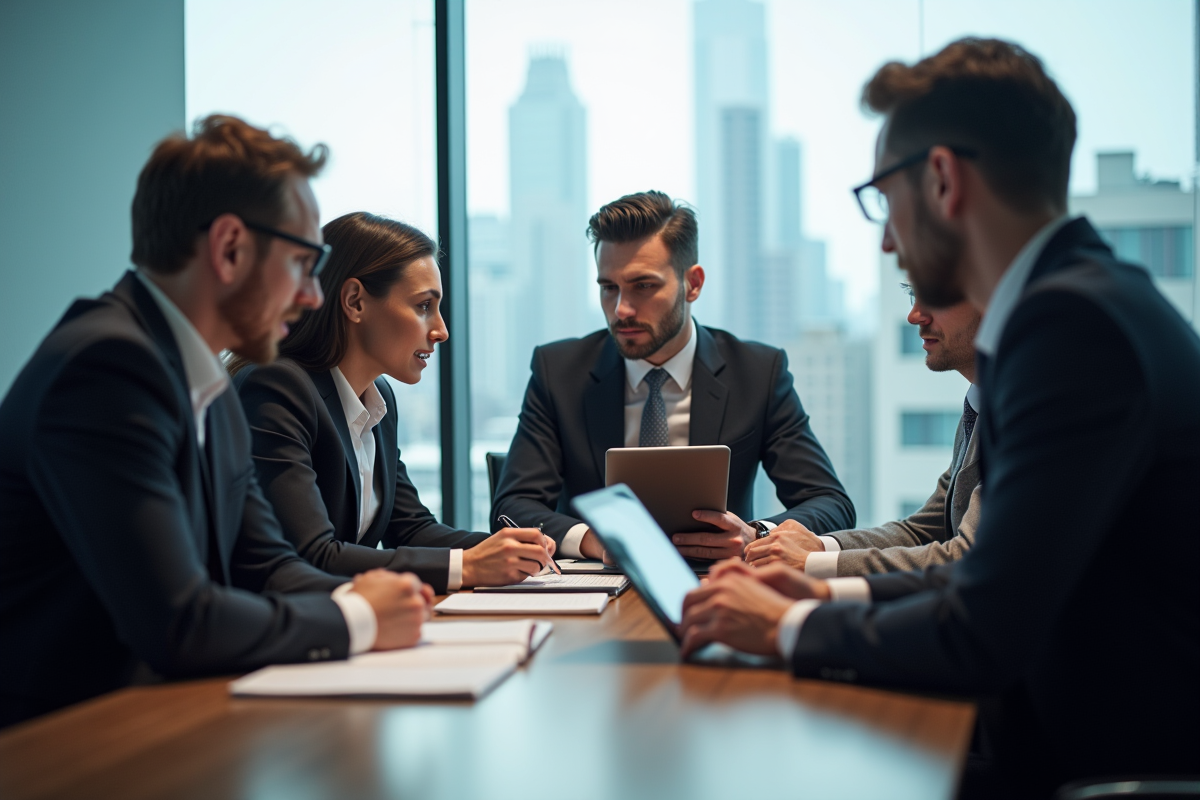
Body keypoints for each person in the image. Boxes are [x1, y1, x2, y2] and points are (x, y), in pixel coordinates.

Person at [678, 38, 1200, 795]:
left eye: (886, 202)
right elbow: (989, 581)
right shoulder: (1090, 301)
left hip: (1092, 765)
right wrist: (822, 591)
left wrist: (788, 626)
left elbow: (980, 629)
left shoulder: (1067, 328)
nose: (889, 237)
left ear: (944, 179)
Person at [0, 116, 431, 728]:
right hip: (60, 742)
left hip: (156, 720)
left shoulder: (207, 386)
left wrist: (389, 602)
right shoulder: (107, 368)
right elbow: (180, 620)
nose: (312, 295)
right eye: (304, 263)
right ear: (230, 248)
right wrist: (358, 617)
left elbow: (270, 566)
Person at [493, 190, 855, 563]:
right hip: (597, 582)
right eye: (609, 288)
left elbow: (830, 502)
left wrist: (755, 534)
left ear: (693, 284)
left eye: (643, 286)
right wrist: (592, 541)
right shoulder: (559, 371)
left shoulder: (758, 372)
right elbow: (513, 505)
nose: (622, 310)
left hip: (720, 585)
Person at [233, 212, 556, 593]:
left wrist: (505, 549)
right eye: (423, 306)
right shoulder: (278, 388)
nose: (441, 330)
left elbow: (411, 528)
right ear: (355, 302)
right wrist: (468, 566)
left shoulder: (378, 399)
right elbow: (310, 555)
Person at [745, 290, 981, 576]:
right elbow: (924, 530)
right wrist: (819, 548)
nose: (913, 315)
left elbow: (968, 557)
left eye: (934, 295)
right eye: (912, 295)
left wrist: (813, 563)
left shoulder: (1025, 405)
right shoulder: (978, 402)